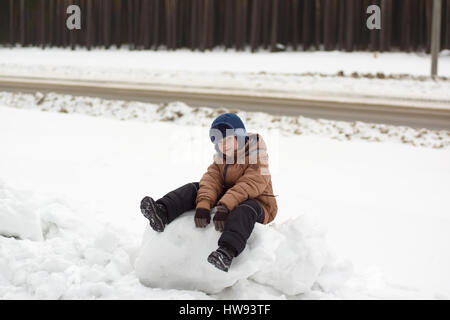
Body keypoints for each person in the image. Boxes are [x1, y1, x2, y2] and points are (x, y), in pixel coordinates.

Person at [140, 113, 278, 272]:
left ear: (239, 137)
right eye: (219, 142)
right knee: (196, 187)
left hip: (258, 202)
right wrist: (203, 205)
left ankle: (226, 253)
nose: (223, 145)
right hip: (230, 196)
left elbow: (252, 183)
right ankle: (162, 212)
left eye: (227, 139)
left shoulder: (257, 155)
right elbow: (211, 181)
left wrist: (225, 206)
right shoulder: (221, 158)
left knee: (243, 210)